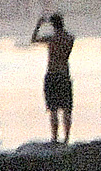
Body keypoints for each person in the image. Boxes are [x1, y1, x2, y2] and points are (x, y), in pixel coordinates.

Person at [31, 13, 76, 143]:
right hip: (64, 74)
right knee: (67, 108)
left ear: (52, 25)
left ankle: (55, 137)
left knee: (53, 109)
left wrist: (38, 25)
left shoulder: (51, 39)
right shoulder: (70, 38)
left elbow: (34, 39)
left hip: (52, 74)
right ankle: (67, 137)